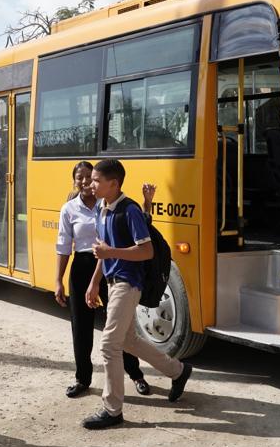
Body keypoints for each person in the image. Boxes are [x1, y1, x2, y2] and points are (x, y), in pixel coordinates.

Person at [82, 159, 192, 430]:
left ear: (113, 183)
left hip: (128, 284)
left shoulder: (128, 210)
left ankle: (113, 409)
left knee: (109, 345)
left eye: (96, 180)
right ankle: (178, 371)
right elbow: (102, 251)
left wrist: (111, 253)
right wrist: (94, 282)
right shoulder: (102, 209)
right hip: (111, 282)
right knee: (129, 341)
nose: (90, 184)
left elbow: (146, 251)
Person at [54, 161, 152, 399]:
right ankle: (82, 379)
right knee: (81, 327)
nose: (86, 182)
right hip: (82, 266)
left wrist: (147, 202)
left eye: (91, 177)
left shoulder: (106, 204)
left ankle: (136, 374)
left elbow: (138, 226)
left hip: (107, 266)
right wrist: (58, 280)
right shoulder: (69, 209)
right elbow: (63, 246)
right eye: (81, 178)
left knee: (120, 328)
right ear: (74, 180)